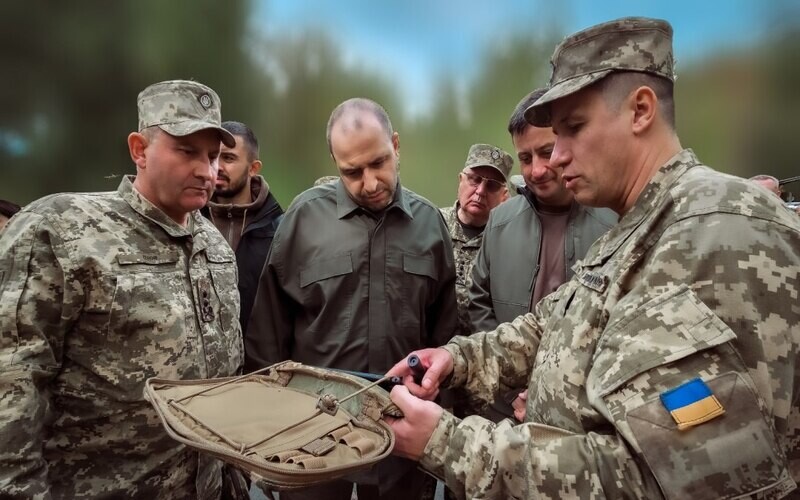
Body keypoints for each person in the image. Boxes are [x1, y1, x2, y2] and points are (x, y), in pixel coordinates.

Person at [385, 17, 800, 499]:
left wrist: (447, 443)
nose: (555, 159)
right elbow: (552, 326)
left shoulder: (723, 232)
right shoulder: (634, 227)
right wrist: (457, 359)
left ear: (641, 110)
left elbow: (664, 478)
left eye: (573, 129)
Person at [0, 80, 245, 498]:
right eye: (187, 151)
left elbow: (226, 370)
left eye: (214, 156)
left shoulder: (214, 244)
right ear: (139, 149)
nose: (208, 171)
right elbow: (14, 382)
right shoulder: (61, 230)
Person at [248, 97, 458, 499]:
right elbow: (267, 338)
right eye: (352, 172)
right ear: (335, 164)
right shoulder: (302, 221)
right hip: (315, 440)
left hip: (403, 442)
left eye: (379, 162)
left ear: (396, 145)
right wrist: (269, 438)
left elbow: (445, 335)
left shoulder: (431, 225)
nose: (370, 182)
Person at [468, 89, 617, 421]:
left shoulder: (614, 220)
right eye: (525, 158)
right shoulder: (500, 221)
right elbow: (478, 301)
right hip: (503, 409)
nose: (536, 170)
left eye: (546, 152)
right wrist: (509, 382)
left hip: (582, 415)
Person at [201, 120, 283, 341]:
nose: (217, 167)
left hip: (260, 368)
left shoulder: (280, 229)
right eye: (213, 157)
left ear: (253, 168)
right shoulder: (189, 221)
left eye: (228, 158)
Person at [440, 143, 511, 336]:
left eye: (492, 185)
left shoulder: (507, 243)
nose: (480, 191)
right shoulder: (434, 225)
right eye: (475, 180)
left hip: (480, 355)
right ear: (460, 180)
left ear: (504, 196)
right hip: (428, 352)